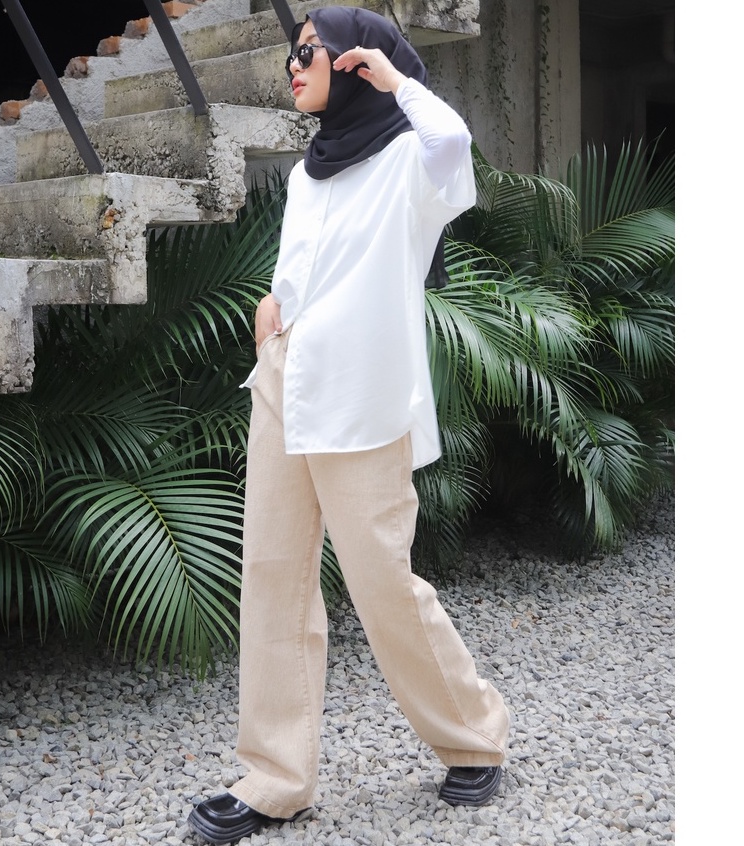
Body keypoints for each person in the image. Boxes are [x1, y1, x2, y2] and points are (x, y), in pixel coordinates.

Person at [187, 7, 510, 844]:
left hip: (363, 399)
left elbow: (454, 143)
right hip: (285, 384)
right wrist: (272, 309)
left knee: (381, 582)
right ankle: (275, 779)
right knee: (272, 577)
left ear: (355, 62)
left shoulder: (410, 161)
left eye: (309, 51)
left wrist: (397, 79)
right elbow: (304, 265)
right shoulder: (308, 171)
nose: (292, 66)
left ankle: (472, 736)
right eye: (288, 56)